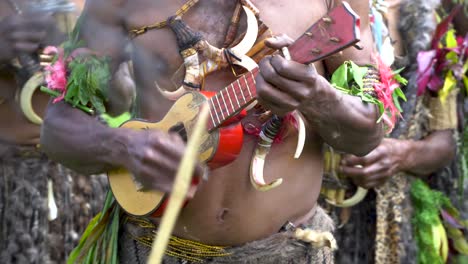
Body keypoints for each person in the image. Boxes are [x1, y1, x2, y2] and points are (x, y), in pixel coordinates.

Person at [40, 0, 385, 263]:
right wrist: (121, 146)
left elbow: (366, 135)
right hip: (150, 247)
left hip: (286, 253)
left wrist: (317, 97)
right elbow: (59, 125)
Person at [331, 0, 467, 263]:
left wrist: (402, 154)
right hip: (319, 217)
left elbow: (445, 141)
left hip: (395, 225)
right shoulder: (317, 10)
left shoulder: (430, 18)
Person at [0, 0, 107, 263]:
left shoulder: (76, 8)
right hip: (8, 179)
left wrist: (72, 52)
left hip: (78, 177)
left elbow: (116, 99)